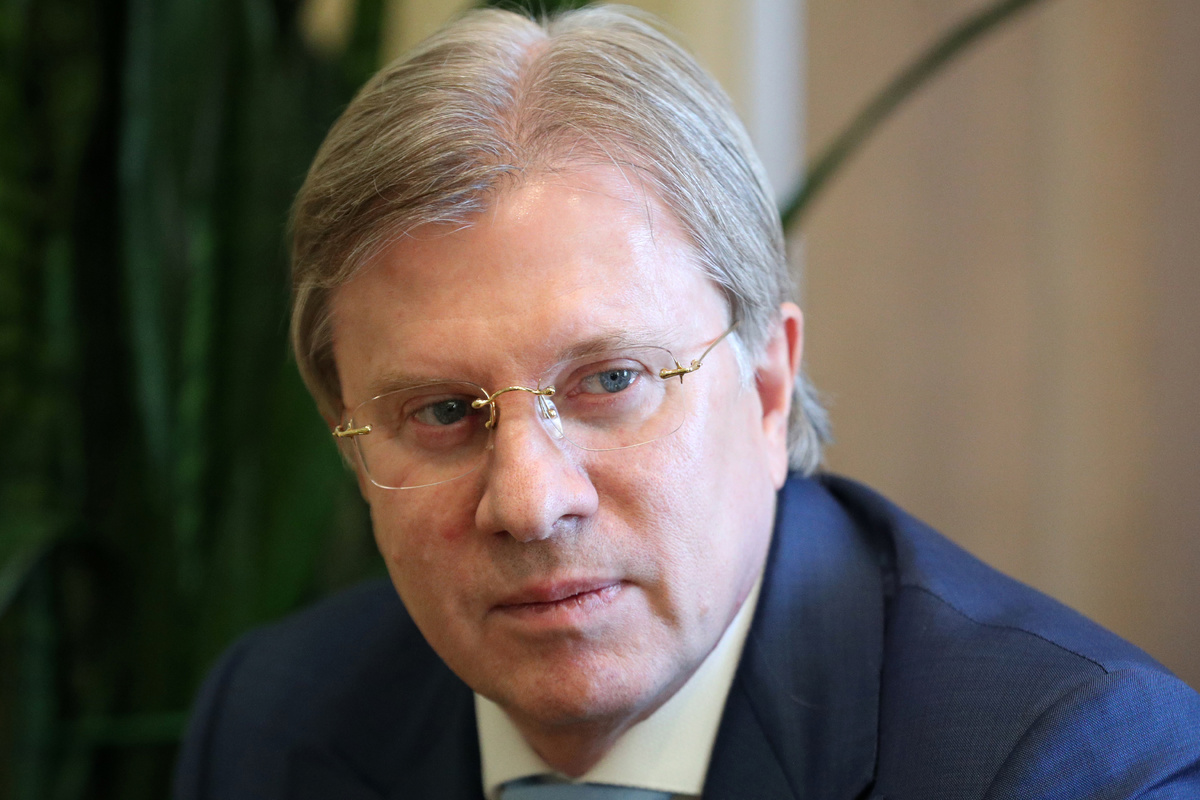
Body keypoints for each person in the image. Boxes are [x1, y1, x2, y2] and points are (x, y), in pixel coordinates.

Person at [174, 6, 1200, 799]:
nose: (529, 502)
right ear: (350, 445)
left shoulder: (1066, 762)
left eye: (612, 380)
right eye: (443, 412)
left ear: (768, 386)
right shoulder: (272, 721)